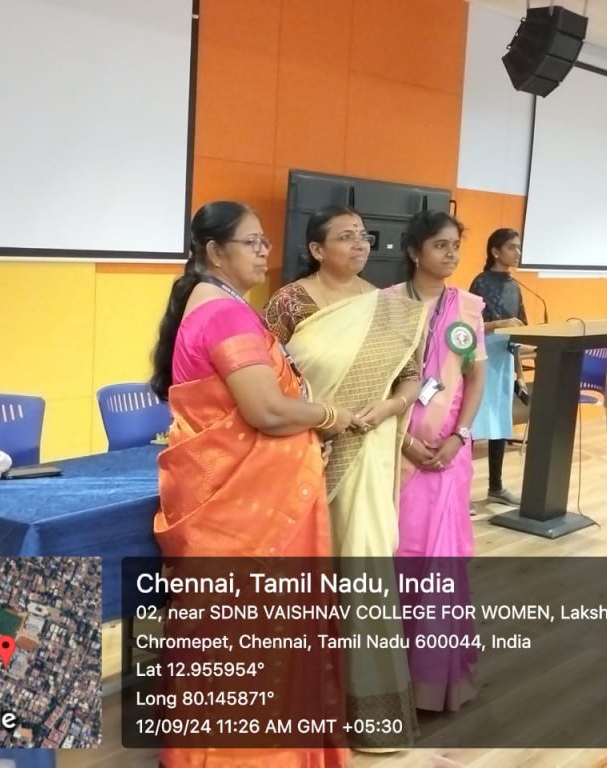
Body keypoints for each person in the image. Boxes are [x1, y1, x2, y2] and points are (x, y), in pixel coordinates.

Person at [150, 201, 352, 768]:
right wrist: (328, 416)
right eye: (252, 242)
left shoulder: (212, 304)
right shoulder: (225, 315)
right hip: (247, 508)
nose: (265, 252)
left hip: (234, 495)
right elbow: (265, 410)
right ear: (216, 252)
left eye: (265, 241)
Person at [264, 205, 426, 749]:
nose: (360, 245)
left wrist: (390, 408)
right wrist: (318, 420)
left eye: (364, 236)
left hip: (368, 452)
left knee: (363, 571)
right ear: (317, 249)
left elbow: (412, 377)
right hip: (306, 450)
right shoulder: (290, 303)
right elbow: (266, 377)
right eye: (346, 237)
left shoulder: (388, 306)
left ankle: (369, 714)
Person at [386, 210, 486, 712]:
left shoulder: (467, 308)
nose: (450, 254)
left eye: (455, 246)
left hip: (448, 457)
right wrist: (403, 439)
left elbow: (475, 377)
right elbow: (377, 383)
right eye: (440, 245)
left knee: (440, 564)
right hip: (396, 454)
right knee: (399, 556)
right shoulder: (386, 305)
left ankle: (434, 682)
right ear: (414, 252)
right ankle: (389, 678)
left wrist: (460, 437)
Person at [469, 228, 528, 506]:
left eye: (519, 247)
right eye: (512, 247)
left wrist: (520, 375)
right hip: (483, 357)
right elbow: (468, 326)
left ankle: (496, 487)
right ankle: (460, 492)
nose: (518, 253)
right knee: (473, 422)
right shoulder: (481, 282)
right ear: (495, 251)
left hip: (504, 358)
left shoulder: (515, 286)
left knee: (500, 424)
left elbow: (521, 330)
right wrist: (499, 324)